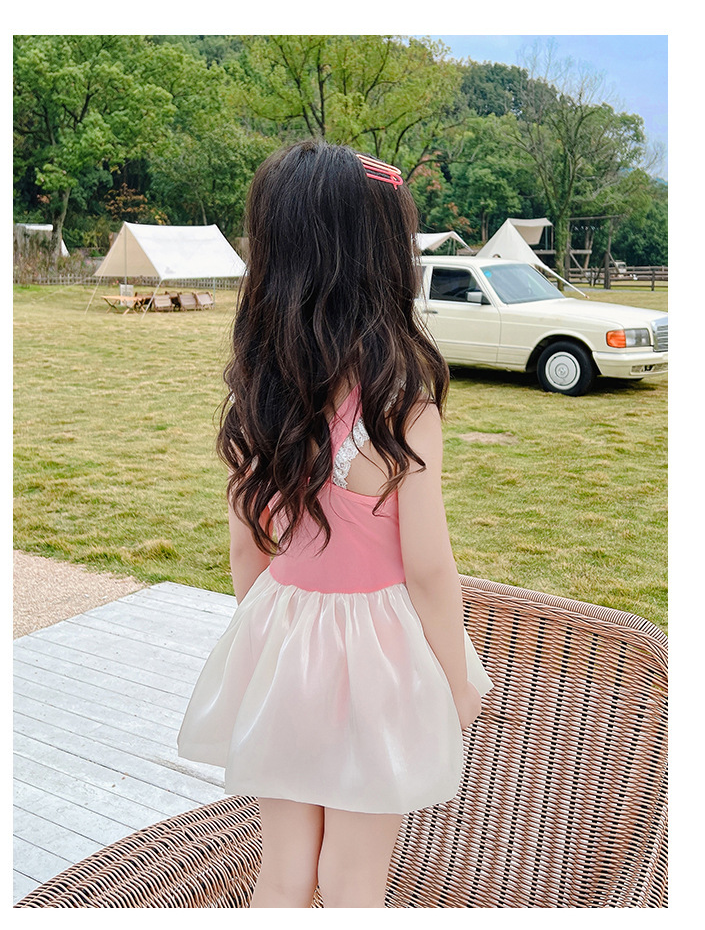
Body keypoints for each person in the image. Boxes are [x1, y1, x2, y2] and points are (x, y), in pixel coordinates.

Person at [177, 140, 494, 908]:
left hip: (286, 647)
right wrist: (455, 685)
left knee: (285, 870)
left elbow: (248, 556)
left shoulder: (259, 399)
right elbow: (428, 571)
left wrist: (271, 645)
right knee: (353, 881)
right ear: (380, 262)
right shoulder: (401, 409)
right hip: (378, 662)